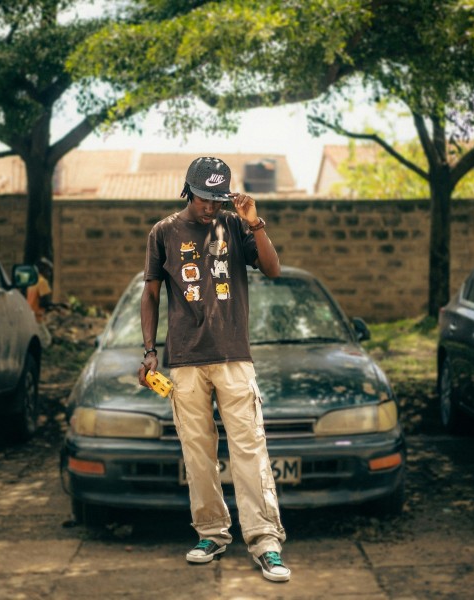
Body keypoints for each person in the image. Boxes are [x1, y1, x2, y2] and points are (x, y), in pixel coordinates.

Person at [139, 156, 290, 583]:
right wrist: (149, 351)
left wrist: (254, 222)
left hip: (233, 357)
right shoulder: (163, 232)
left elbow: (273, 269)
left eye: (217, 198)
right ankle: (211, 532)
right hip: (185, 360)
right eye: (204, 198)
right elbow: (150, 295)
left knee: (249, 449)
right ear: (188, 191)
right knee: (198, 453)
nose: (210, 207)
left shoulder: (236, 225)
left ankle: (265, 541)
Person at [26, 257, 53, 348]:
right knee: (46, 340)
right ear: (42, 269)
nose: (49, 274)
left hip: (30, 315)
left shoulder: (33, 280)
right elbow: (44, 302)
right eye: (48, 270)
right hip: (37, 317)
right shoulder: (43, 282)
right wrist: (57, 306)